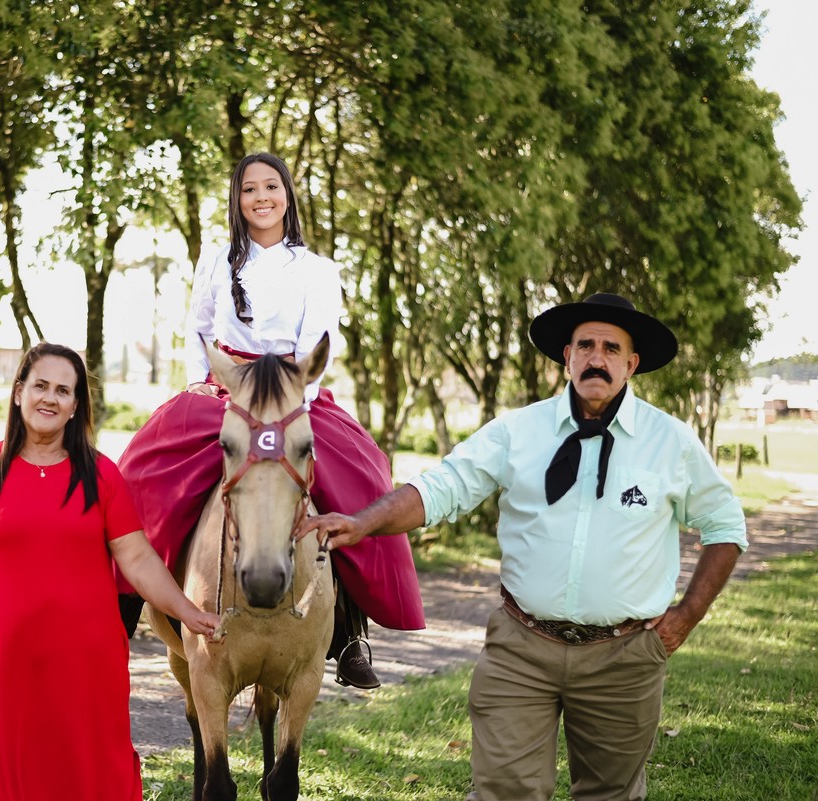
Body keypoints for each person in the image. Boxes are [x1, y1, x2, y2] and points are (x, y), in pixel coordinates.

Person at [297, 292, 747, 801]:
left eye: (611, 349)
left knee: (611, 794)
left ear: (631, 363)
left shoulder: (671, 442)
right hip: (521, 650)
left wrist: (687, 615)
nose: (596, 359)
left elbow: (725, 526)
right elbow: (443, 487)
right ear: (567, 357)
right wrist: (362, 522)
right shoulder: (518, 431)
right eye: (585, 346)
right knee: (503, 792)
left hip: (623, 658)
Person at [116, 152, 425, 689]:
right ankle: (123, 605)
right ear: (237, 199)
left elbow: (318, 341)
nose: (261, 197)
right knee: (140, 465)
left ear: (287, 195)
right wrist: (198, 381)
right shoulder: (216, 260)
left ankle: (349, 628)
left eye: (271, 186)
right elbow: (199, 328)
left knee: (364, 469)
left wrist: (293, 400)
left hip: (293, 390)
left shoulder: (317, 269)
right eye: (249, 189)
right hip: (226, 388)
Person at [0, 342, 221, 801]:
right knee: (13, 782)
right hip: (5, 666)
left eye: (63, 391)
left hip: (89, 667)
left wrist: (188, 611)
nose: (50, 398)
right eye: (40, 386)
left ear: (75, 406)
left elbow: (138, 559)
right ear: (19, 392)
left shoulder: (102, 476)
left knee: (95, 777)